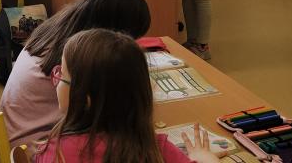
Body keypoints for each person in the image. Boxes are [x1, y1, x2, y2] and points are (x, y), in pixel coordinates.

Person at [0, 0, 151, 152]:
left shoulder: (57, 29)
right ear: (110, 30)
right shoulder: (76, 56)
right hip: (31, 150)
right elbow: (108, 112)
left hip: (15, 139)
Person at [34, 29, 218, 163]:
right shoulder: (154, 150)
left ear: (86, 99)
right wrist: (206, 158)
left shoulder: (55, 153)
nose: (56, 78)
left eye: (61, 74)